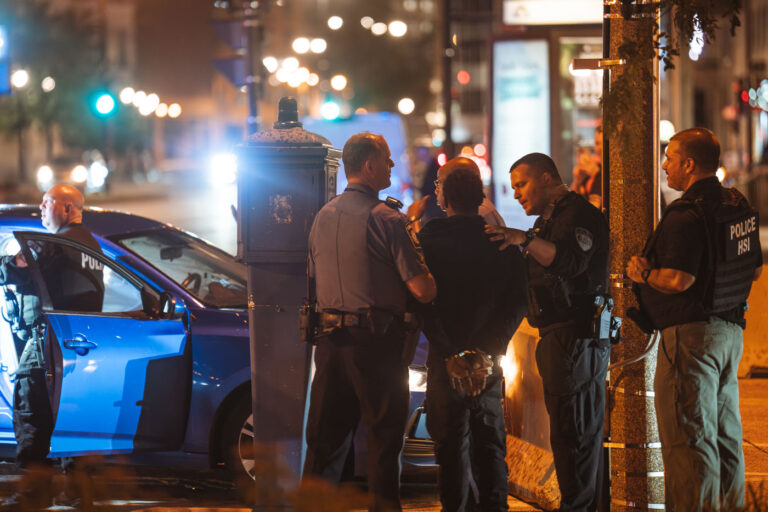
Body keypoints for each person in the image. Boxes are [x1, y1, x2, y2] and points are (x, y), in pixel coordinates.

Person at [626, 128, 763, 511]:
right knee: (724, 439)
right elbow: (752, 270)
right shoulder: (736, 204)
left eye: (670, 157)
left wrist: (643, 275)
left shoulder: (685, 215)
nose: (665, 165)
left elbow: (678, 279)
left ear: (689, 164)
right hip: (729, 334)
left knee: (688, 442)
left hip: (690, 340)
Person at [303, 132, 437, 512]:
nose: (392, 165)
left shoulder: (321, 217)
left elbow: (313, 276)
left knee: (324, 444)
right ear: (369, 165)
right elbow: (423, 290)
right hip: (376, 345)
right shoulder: (388, 220)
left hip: (329, 343)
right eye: (388, 159)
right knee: (383, 441)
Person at [486, 153, 610, 512]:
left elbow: (570, 262)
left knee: (576, 435)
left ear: (545, 178)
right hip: (560, 338)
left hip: (577, 338)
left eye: (521, 185)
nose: (517, 195)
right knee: (568, 436)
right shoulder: (551, 220)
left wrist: (522, 239)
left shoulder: (578, 215)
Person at [416, 166, 527, 512]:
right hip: (487, 363)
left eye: (438, 187)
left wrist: (450, 352)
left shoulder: (429, 239)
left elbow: (422, 303)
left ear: (446, 197)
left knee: (450, 450)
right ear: (479, 197)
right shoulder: (501, 242)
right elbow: (518, 301)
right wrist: (489, 351)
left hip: (445, 360)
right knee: (490, 447)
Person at [0, 184, 104, 510]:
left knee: (30, 413)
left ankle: (35, 493)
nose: (41, 209)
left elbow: (23, 274)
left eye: (47, 203)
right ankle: (77, 492)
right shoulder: (89, 244)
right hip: (80, 342)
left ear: (68, 209)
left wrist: (9, 263)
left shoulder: (57, 247)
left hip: (48, 340)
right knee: (72, 415)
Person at [407, 156, 505, 228]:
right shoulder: (475, 208)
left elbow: (419, 252)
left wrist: (413, 219)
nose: (436, 190)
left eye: (440, 182)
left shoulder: (477, 213)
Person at [570, 124, 602, 209]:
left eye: (601, 143)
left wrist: (596, 173)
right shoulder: (595, 168)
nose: (599, 148)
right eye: (597, 143)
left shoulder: (604, 171)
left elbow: (595, 210)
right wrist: (578, 179)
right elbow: (571, 201)